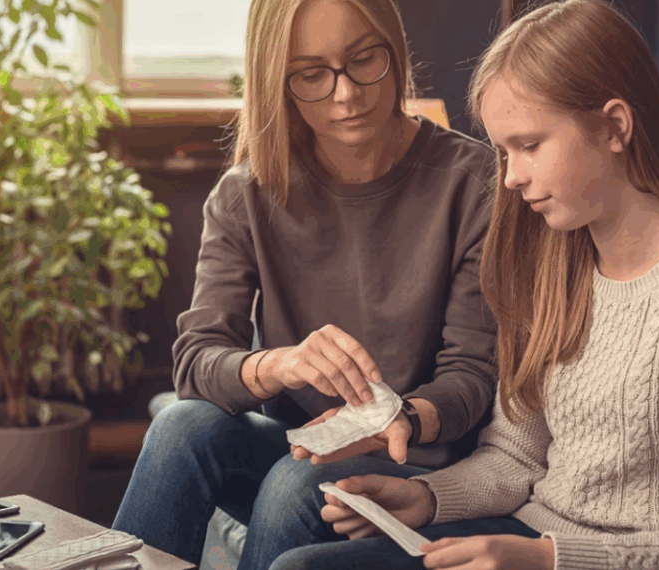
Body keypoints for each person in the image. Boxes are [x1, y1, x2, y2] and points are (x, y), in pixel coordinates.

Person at [269, 1, 659, 569]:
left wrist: (548, 559)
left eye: (529, 146)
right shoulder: (556, 264)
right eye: (502, 151)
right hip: (526, 533)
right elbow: (514, 459)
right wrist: (426, 498)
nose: (512, 177)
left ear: (615, 126)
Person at [111, 0, 500, 569]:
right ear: (279, 82)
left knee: (297, 484)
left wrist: (397, 418)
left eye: (364, 60)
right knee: (178, 425)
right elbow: (195, 362)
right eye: (313, 75)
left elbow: (471, 377)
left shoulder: (473, 183)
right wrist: (279, 365)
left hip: (413, 455)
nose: (346, 94)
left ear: (395, 50)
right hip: (298, 441)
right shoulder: (245, 194)